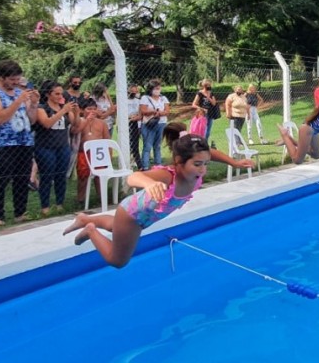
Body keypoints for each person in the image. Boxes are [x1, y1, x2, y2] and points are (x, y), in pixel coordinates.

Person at [61, 131, 210, 268]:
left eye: (206, 164)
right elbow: (132, 178)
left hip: (141, 216)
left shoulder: (197, 168)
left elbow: (211, 155)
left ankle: (84, 219)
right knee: (118, 261)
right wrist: (149, 183)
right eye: (197, 164)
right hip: (132, 216)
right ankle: (90, 231)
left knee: (116, 226)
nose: (202, 169)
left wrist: (233, 162)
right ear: (178, 161)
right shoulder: (169, 177)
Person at [0, 60, 40, 226]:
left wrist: (34, 104)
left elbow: (32, 119)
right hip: (4, 142)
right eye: (12, 80)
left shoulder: (19, 93)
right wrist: (18, 101)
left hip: (24, 141)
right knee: (2, 178)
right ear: (1, 77)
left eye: (18, 79)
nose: (16, 83)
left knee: (22, 178)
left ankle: (20, 212)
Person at [34, 80, 80, 216]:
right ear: (48, 94)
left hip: (62, 146)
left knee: (61, 176)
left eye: (61, 93)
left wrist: (76, 113)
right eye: (57, 93)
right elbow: (47, 123)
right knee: (47, 176)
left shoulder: (64, 108)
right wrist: (63, 110)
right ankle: (45, 206)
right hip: (45, 147)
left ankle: (60, 203)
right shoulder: (42, 108)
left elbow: (75, 124)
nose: (60, 96)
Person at [74, 98, 110, 205]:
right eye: (89, 109)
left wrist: (109, 154)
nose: (92, 111)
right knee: (83, 176)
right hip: (83, 153)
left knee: (100, 177)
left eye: (94, 109)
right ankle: (80, 199)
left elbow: (107, 139)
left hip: (99, 154)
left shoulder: (101, 123)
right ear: (82, 110)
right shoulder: (79, 121)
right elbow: (75, 131)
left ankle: (102, 197)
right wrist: (86, 121)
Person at [140, 80, 170, 169]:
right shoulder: (145, 98)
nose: (158, 90)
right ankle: (145, 166)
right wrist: (153, 111)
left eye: (159, 88)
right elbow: (143, 111)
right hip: (149, 124)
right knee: (147, 146)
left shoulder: (163, 98)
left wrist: (160, 113)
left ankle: (158, 165)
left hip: (161, 123)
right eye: (156, 88)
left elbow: (167, 111)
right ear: (151, 89)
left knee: (157, 146)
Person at [191, 79, 219, 143]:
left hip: (210, 113)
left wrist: (209, 97)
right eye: (207, 85)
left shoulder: (211, 93)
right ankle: (201, 143)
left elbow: (214, 103)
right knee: (203, 130)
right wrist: (202, 109)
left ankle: (205, 143)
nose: (209, 86)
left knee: (208, 131)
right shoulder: (200, 93)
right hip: (203, 114)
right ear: (204, 85)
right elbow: (193, 104)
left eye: (210, 85)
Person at [126, 84, 143, 170]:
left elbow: (140, 113)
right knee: (128, 145)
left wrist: (136, 116)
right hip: (127, 124)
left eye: (136, 91)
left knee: (135, 145)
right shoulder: (124, 101)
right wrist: (130, 117)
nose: (135, 93)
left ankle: (137, 163)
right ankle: (129, 162)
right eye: (133, 91)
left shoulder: (138, 101)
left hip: (136, 124)